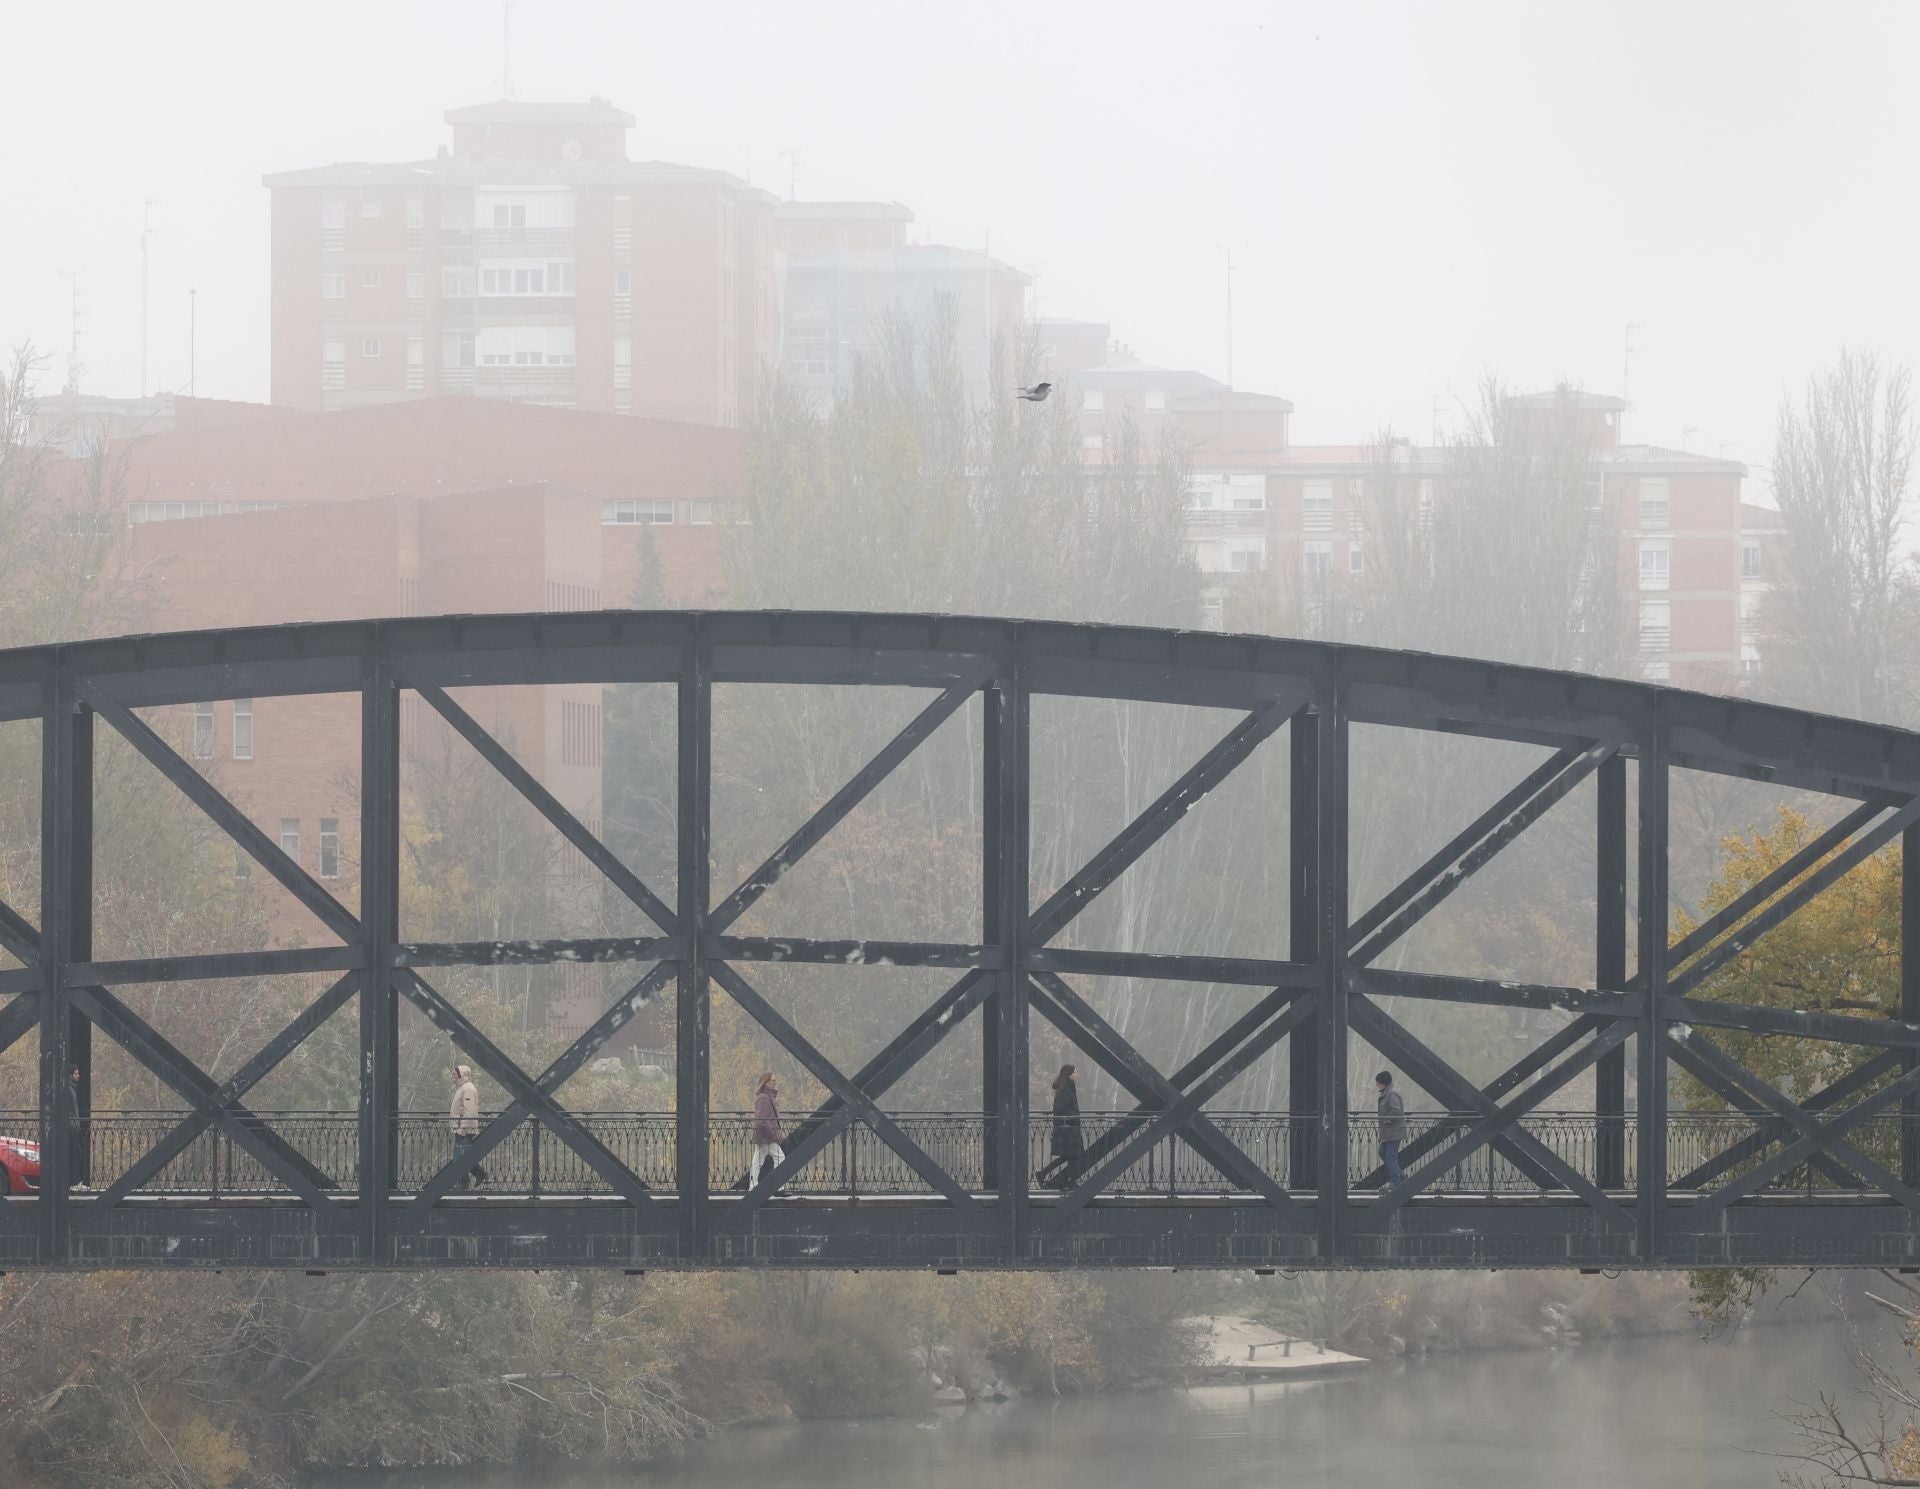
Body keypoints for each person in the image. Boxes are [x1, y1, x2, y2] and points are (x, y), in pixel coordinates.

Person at [449, 1063, 487, 1189]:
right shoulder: (463, 1087)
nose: (452, 1076)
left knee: (460, 1157)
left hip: (464, 1129)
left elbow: (469, 1111)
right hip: (462, 1128)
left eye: (454, 1074)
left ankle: (463, 1184)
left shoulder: (468, 1088)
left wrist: (462, 1129)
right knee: (463, 1156)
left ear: (461, 1074)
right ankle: (480, 1174)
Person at [1049, 1064, 1083, 1189]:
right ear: (1069, 1074)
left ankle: (1044, 1174)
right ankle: (1069, 1181)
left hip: (1068, 1127)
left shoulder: (1066, 1087)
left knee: (1069, 1156)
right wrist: (1074, 1116)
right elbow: (1061, 1108)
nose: (1077, 1074)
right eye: (1075, 1072)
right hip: (1069, 1127)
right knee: (1074, 1156)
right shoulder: (1066, 1088)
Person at [750, 1072, 784, 1191]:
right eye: (773, 1080)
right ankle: (778, 1187)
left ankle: (753, 1186)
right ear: (767, 1082)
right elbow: (761, 1120)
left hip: (763, 1136)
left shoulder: (766, 1096)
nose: (776, 1082)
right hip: (767, 1136)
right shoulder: (764, 1098)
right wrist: (773, 1132)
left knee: (757, 1161)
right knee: (780, 1158)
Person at [1375, 1069, 1407, 1185]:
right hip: (1389, 1132)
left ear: (1384, 1083)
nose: (1376, 1085)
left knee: (1390, 1156)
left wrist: (1387, 1121)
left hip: (1394, 1132)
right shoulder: (1387, 1093)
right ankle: (1400, 1174)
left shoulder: (1391, 1093)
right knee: (1383, 1153)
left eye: (1378, 1082)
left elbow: (1396, 1110)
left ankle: (1396, 1181)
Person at [61, 1064, 88, 1190]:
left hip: (72, 1126)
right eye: (76, 1073)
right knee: (76, 1154)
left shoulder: (71, 1088)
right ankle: (74, 1183)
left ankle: (74, 1182)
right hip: (70, 1127)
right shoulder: (68, 1089)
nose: (79, 1076)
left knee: (75, 1154)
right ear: (70, 1075)